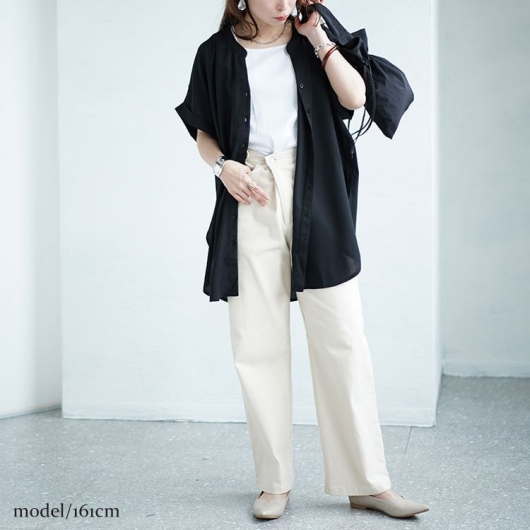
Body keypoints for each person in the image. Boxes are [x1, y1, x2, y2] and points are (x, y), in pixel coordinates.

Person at [176, 0, 429, 521]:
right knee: (257, 343)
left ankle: (368, 482)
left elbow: (355, 97)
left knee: (343, 338)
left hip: (316, 187)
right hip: (250, 190)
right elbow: (203, 130)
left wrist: (319, 38)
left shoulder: (313, 36)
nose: (282, 4)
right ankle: (274, 483)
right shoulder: (215, 53)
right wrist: (223, 167)